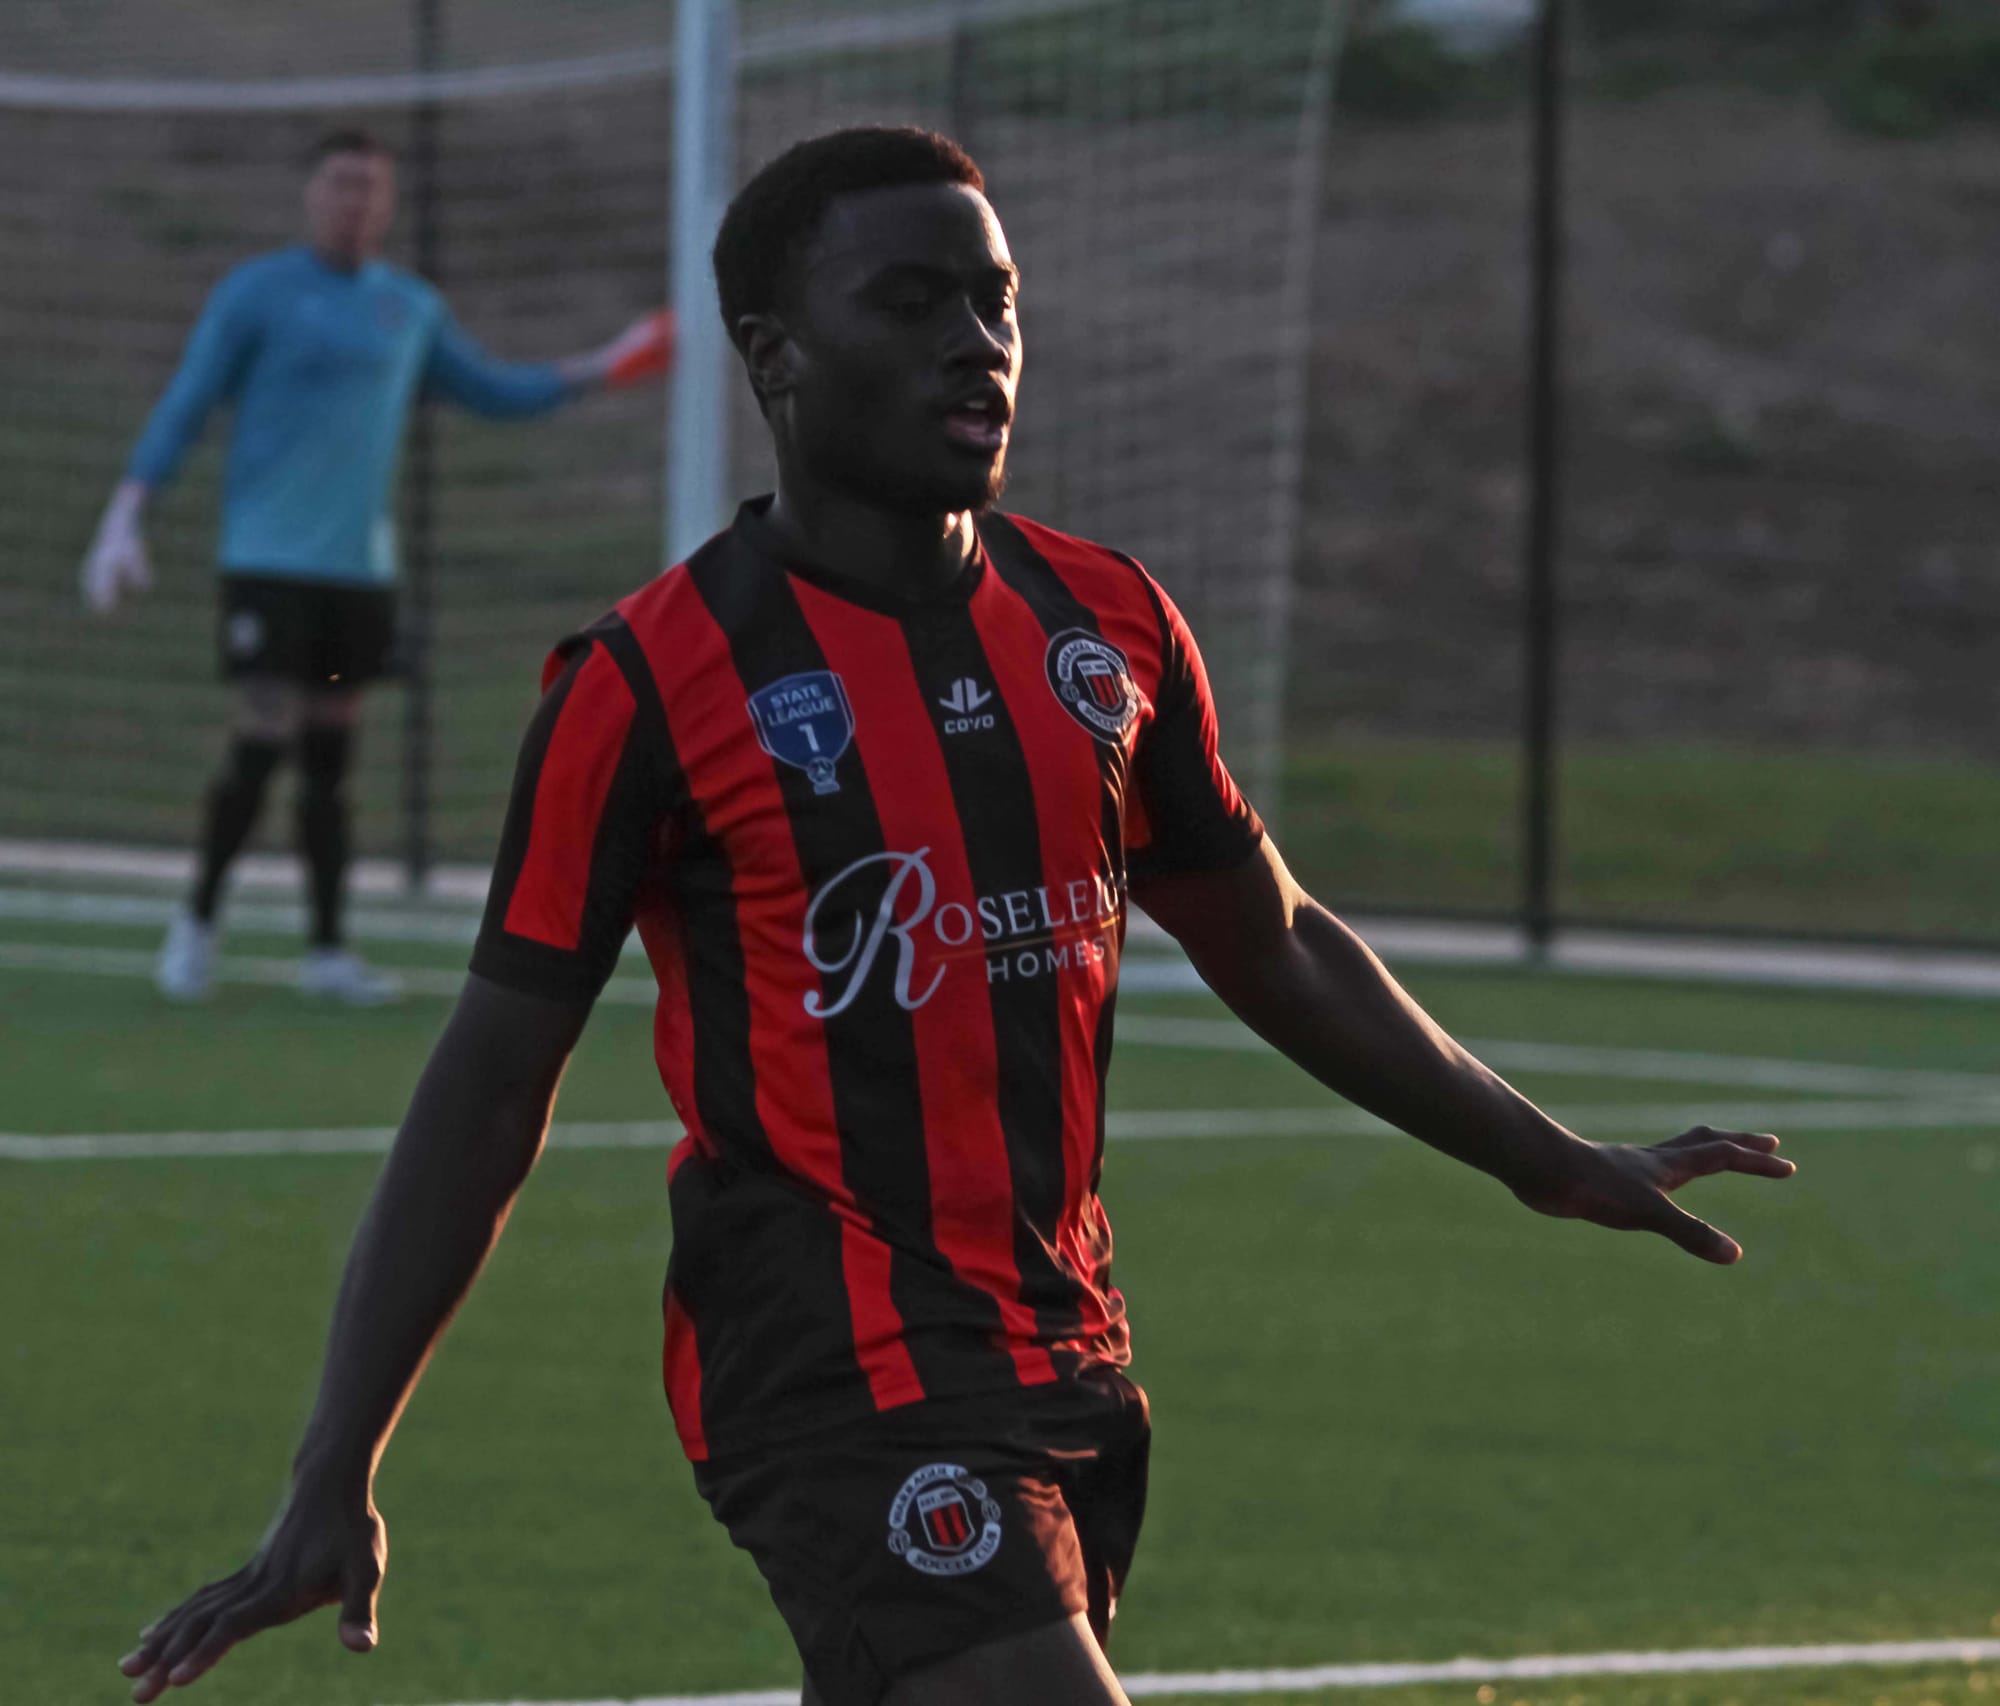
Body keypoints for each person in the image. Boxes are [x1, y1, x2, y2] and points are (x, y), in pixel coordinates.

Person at [115, 127, 1794, 1706]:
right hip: (829, 1357)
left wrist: (1545, 1154)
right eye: (911, 305)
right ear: (773, 355)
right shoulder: (646, 682)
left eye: (995, 300)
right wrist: (335, 1466)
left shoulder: (1109, 622)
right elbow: (491, 1080)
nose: (975, 343)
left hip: (1067, 1337)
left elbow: (1268, 934)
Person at [81, 127, 675, 1006]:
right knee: (261, 733)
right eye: (339, 185)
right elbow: (189, 399)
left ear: (386, 203)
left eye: (370, 188)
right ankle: (196, 926)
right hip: (268, 560)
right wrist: (124, 515)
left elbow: (492, 390)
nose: (354, 202)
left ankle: (325, 949)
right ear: (310, 194)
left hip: (355, 573)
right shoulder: (257, 294)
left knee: (330, 752)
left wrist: (601, 365)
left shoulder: (408, 307)